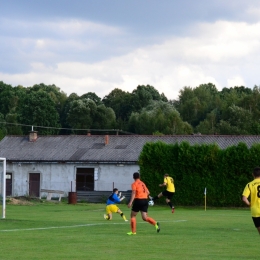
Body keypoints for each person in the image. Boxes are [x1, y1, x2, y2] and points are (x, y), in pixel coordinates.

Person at [242, 166, 260, 235]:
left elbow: (244, 198)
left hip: (255, 211)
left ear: (253, 174)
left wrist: (249, 204)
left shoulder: (249, 185)